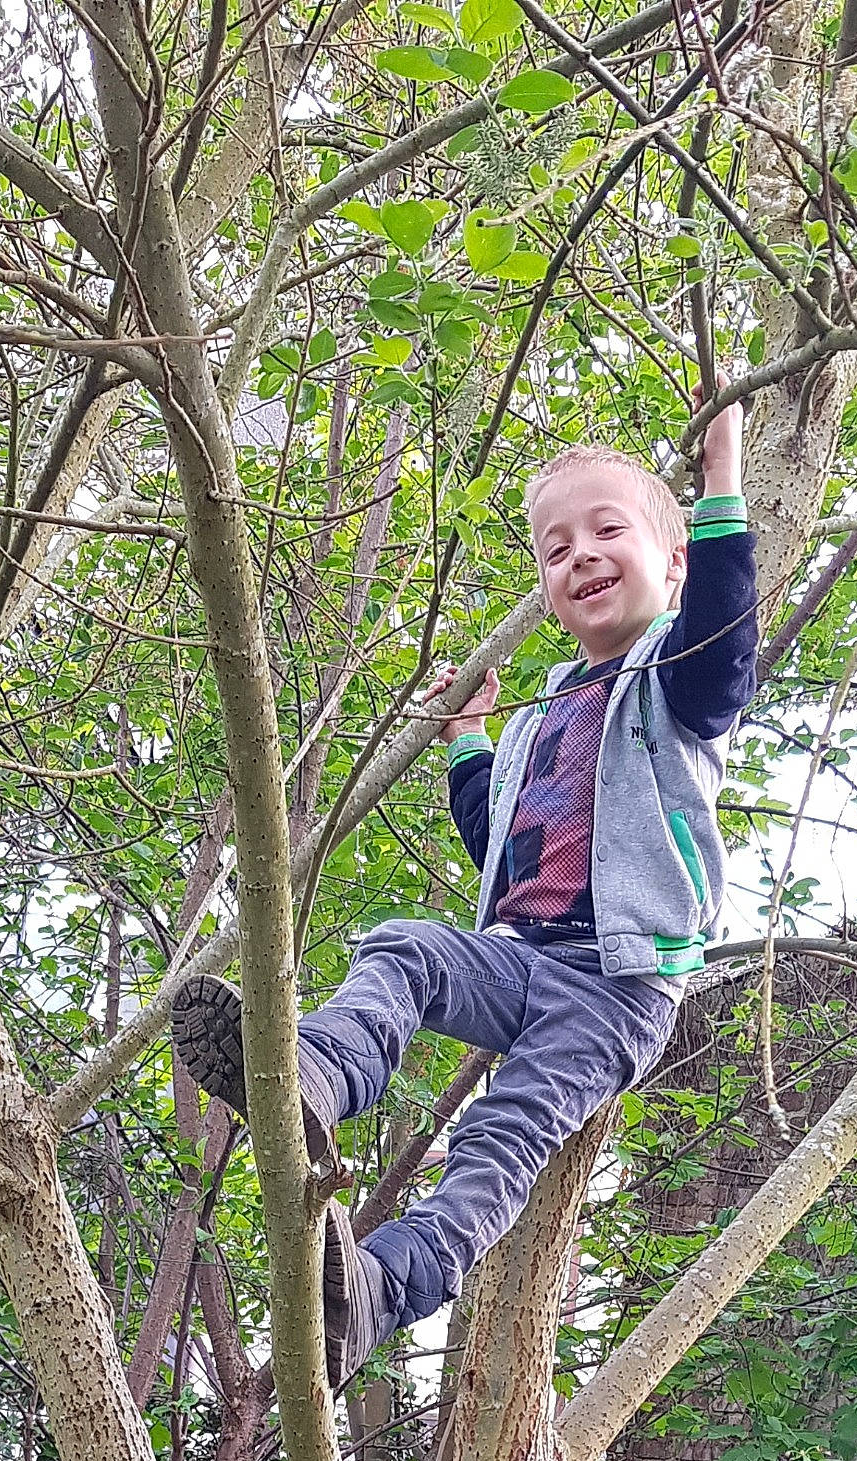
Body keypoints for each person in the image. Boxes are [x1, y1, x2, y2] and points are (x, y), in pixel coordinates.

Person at [173, 393, 758, 1383]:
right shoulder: (544, 713)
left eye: (607, 531)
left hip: (615, 988)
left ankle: (380, 1290)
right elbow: (501, 844)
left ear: (674, 564)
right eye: (555, 549)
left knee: (497, 1139)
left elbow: (723, 642)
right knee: (407, 945)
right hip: (519, 958)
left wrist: (722, 485)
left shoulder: (673, 678)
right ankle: (316, 1073)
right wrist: (470, 739)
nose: (580, 556)